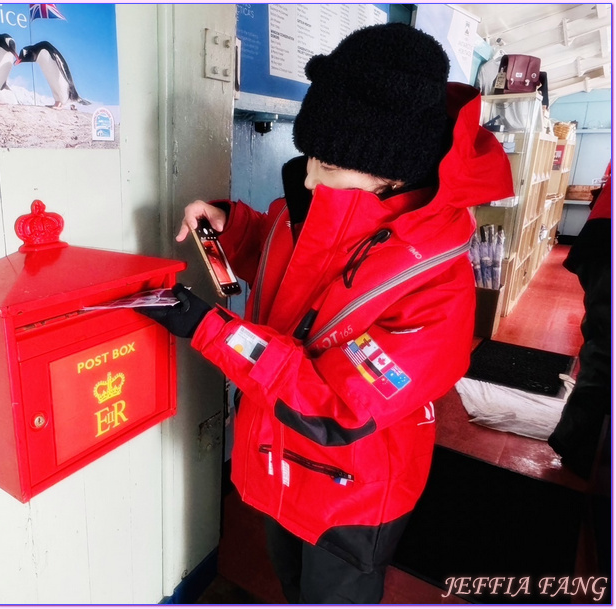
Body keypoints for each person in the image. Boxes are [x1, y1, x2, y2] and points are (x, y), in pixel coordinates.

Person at [140, 23, 513, 603]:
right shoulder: (314, 209)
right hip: (276, 458)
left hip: (353, 494)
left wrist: (210, 329)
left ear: (394, 175)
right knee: (291, 584)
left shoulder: (437, 288)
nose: (310, 175)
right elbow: (294, 263)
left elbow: (338, 405)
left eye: (329, 166)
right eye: (309, 156)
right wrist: (233, 226)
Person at [548, 169, 611, 479]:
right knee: (605, 349)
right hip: (607, 235)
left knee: (603, 347)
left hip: (602, 230)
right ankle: (577, 447)